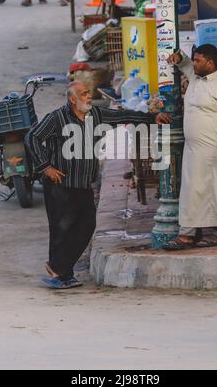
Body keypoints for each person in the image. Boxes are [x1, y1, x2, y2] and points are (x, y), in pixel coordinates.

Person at [27, 81, 171, 289]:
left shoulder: (96, 115)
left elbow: (125, 116)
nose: (89, 97)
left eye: (88, 93)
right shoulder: (57, 118)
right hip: (60, 184)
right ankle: (62, 273)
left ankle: (58, 268)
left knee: (87, 224)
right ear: (72, 99)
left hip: (84, 182)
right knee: (62, 229)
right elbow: (32, 137)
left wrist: (152, 118)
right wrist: (45, 167)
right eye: (84, 94)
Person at [167, 44, 217, 249]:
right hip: (193, 150)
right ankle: (187, 234)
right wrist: (178, 57)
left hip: (216, 149)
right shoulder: (194, 76)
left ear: (211, 62)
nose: (195, 63)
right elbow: (185, 62)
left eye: (199, 60)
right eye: (195, 59)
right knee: (191, 190)